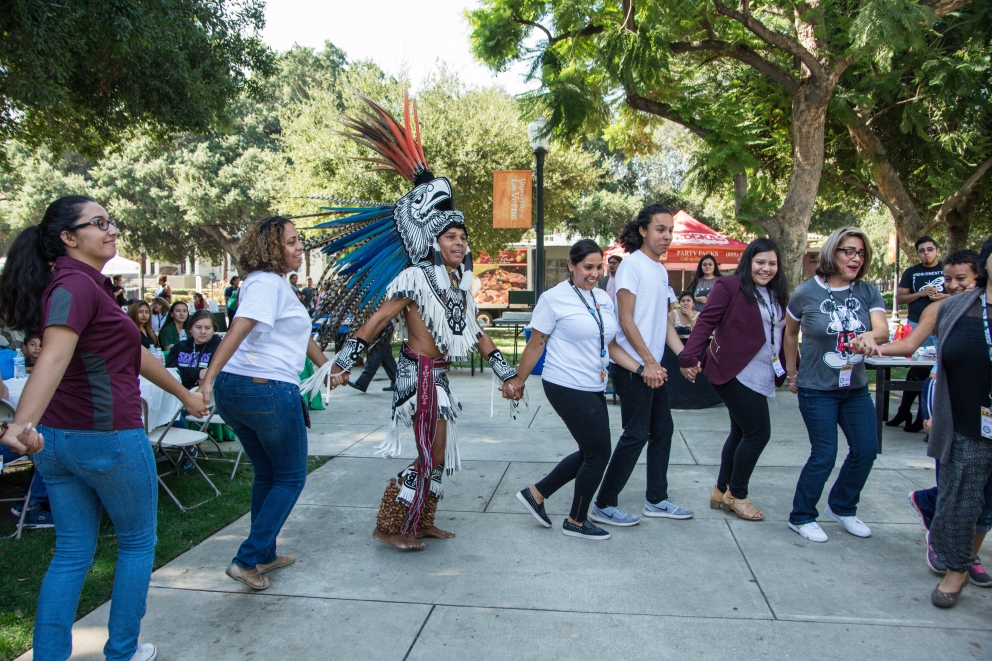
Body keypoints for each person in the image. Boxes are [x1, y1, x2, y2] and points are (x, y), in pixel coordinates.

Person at [0, 195, 206, 661]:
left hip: (60, 443)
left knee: (72, 552)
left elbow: (132, 353)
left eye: (110, 221)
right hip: (104, 438)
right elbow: (53, 354)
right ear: (69, 239)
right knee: (136, 544)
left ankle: (51, 654)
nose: (111, 230)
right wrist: (22, 423)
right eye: (98, 223)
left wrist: (185, 395)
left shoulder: (86, 286)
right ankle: (123, 652)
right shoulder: (74, 286)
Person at [324, 93, 519, 551]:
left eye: (463, 237)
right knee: (428, 452)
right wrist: (343, 362)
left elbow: (477, 334)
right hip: (416, 376)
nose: (459, 242)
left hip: (442, 378)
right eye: (451, 236)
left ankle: (422, 519)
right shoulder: (414, 277)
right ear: (434, 240)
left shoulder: (458, 286)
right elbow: (376, 322)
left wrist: (507, 374)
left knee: (439, 453)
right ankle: (388, 525)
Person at [199, 216, 330, 591]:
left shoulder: (274, 286)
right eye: (291, 242)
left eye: (298, 241)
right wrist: (206, 380)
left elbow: (297, 336)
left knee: (269, 474)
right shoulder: (266, 283)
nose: (299, 247)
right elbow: (238, 329)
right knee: (291, 477)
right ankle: (246, 559)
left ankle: (264, 553)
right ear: (272, 249)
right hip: (265, 390)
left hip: (243, 391)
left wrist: (327, 367)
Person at [854, 249, 990, 585]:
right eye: (949, 279)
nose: (954, 285)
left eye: (962, 278)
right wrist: (873, 344)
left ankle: (968, 553)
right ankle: (951, 558)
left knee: (985, 501)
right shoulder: (944, 307)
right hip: (956, 409)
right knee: (957, 491)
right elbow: (909, 345)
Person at [505, 240, 646, 540]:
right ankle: (576, 520)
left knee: (590, 451)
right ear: (571, 265)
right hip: (565, 383)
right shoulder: (553, 299)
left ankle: (536, 493)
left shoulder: (603, 299)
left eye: (599, 267)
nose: (595, 273)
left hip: (594, 382)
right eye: (588, 267)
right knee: (599, 453)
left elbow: (610, 346)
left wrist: (642, 368)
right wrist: (518, 379)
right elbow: (536, 344)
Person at [589, 204, 693, 528]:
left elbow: (663, 321)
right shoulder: (631, 266)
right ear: (644, 230)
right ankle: (604, 503)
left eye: (670, 230)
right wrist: (647, 362)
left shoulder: (660, 270)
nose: (667, 236)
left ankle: (656, 500)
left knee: (663, 430)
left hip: (655, 368)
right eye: (660, 229)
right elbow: (625, 319)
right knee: (636, 434)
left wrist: (683, 357)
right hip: (634, 368)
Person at [783, 227, 888, 543]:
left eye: (861, 253)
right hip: (817, 388)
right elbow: (790, 333)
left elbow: (882, 330)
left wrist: (871, 336)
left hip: (855, 388)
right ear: (832, 253)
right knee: (824, 454)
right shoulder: (805, 293)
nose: (856, 258)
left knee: (867, 449)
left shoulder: (867, 292)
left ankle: (842, 506)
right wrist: (792, 372)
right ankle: (801, 516)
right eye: (848, 251)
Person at [905, 237, 992, 607]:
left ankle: (969, 557)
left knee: (988, 504)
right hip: (970, 422)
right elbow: (926, 357)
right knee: (962, 497)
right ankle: (955, 568)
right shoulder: (958, 308)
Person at [680, 238, 790, 521]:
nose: (766, 269)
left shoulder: (777, 293)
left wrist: (793, 369)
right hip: (733, 371)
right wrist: (688, 357)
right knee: (758, 433)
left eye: (772, 263)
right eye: (760, 262)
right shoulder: (728, 286)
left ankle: (720, 490)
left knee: (741, 432)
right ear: (748, 262)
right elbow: (706, 322)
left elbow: (784, 335)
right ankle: (736, 495)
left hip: (764, 370)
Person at [889, 236, 946, 431]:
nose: (926, 253)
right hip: (916, 323)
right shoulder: (912, 272)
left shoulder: (948, 270)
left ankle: (922, 416)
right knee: (916, 369)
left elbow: (963, 294)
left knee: (935, 371)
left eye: (930, 249)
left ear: (937, 250)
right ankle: (906, 412)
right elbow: (900, 297)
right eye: (922, 250)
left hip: (942, 325)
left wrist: (943, 296)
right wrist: (921, 294)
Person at [166, 310, 222, 389]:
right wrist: (198, 373)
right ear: (190, 329)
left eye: (207, 328)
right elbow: (170, 373)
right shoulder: (179, 347)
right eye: (198, 327)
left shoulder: (220, 347)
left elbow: (221, 374)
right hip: (179, 392)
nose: (203, 332)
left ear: (214, 329)